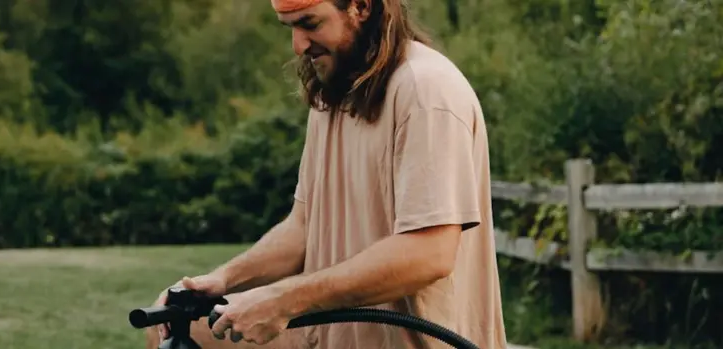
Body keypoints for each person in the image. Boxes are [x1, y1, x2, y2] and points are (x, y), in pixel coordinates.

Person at [143, 0, 508, 348]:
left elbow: (430, 252)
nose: (298, 45)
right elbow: (304, 228)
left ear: (361, 7)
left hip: (424, 342)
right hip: (334, 336)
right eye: (290, 28)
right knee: (173, 324)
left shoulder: (426, 91)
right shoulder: (332, 95)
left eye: (310, 24)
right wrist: (223, 280)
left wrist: (284, 299)